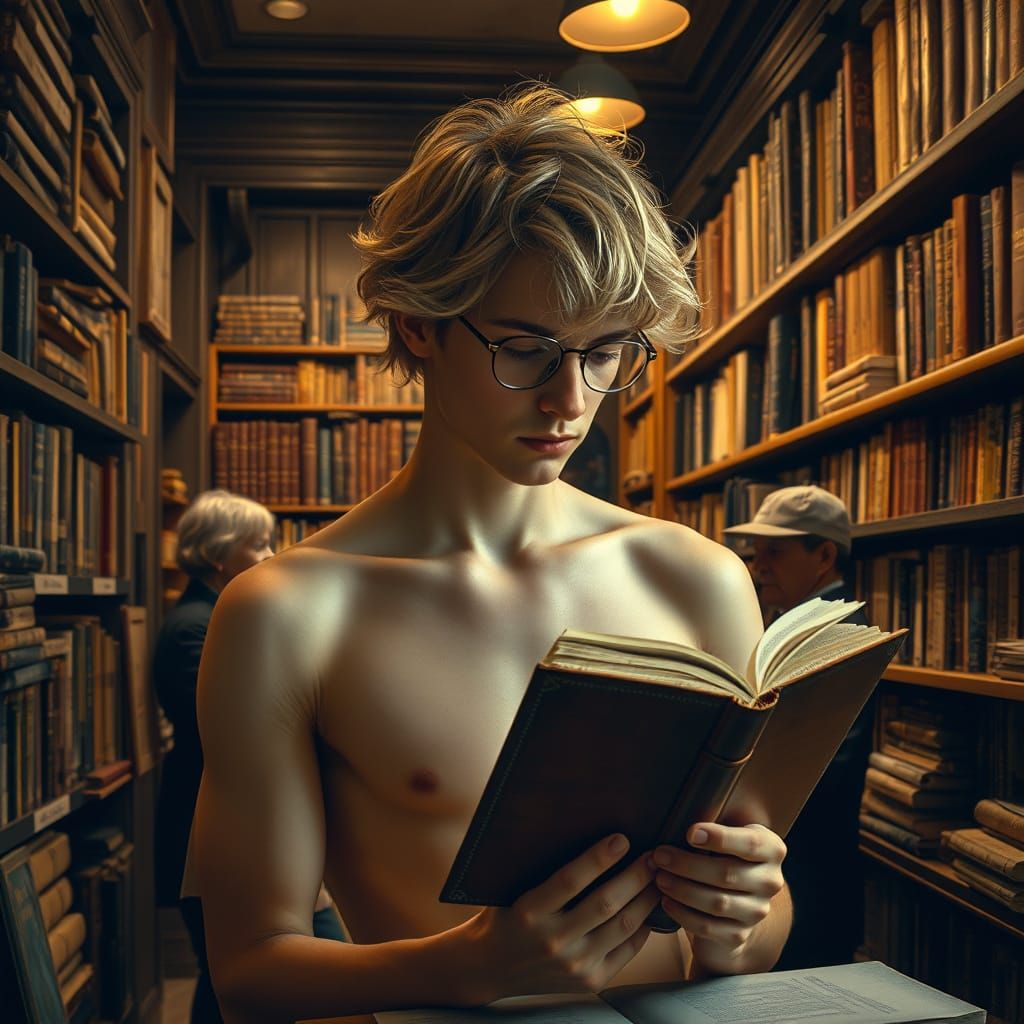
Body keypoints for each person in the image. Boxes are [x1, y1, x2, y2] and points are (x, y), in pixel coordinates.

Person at [188, 84, 793, 1024]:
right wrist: (465, 966)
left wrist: (734, 920)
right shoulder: (290, 611)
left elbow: (755, 926)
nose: (571, 400)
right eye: (527, 348)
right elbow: (250, 971)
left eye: (607, 353)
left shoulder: (696, 576)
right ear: (418, 322)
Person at [153, 489, 345, 1024]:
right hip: (211, 823)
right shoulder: (197, 626)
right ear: (219, 554)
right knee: (231, 977)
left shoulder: (210, 614)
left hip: (230, 816)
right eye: (258, 546)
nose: (269, 557)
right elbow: (237, 726)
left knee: (223, 975)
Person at [723, 484, 871, 971]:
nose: (757, 565)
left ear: (824, 555)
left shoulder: (839, 635)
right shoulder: (788, 622)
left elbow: (826, 766)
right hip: (784, 868)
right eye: (756, 552)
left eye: (776, 552)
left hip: (810, 873)